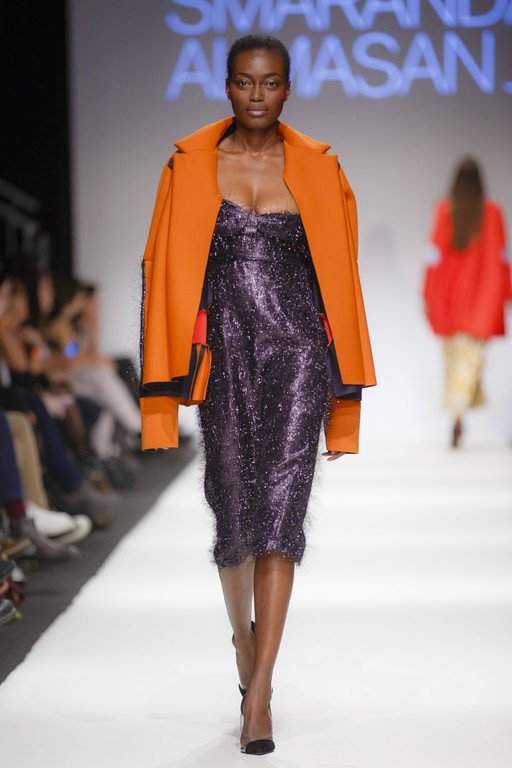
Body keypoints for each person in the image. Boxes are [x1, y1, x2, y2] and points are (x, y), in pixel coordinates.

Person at [139, 34, 376, 755]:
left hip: (297, 352)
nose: (257, 95)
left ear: (288, 89)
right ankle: (242, 644)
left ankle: (261, 691)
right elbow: (159, 267)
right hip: (226, 355)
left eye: (270, 83)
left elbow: (342, 274)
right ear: (227, 86)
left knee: (280, 514)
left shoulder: (319, 168)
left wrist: (342, 382)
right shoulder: (189, 165)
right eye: (245, 82)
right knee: (233, 510)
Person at [423, 158, 511, 447]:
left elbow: (434, 256)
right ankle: (458, 414)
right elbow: (502, 258)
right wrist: (506, 295)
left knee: (456, 364)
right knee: (469, 363)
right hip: (481, 301)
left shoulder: (445, 210)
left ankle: (457, 415)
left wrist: (428, 295)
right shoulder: (492, 213)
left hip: (449, 300)